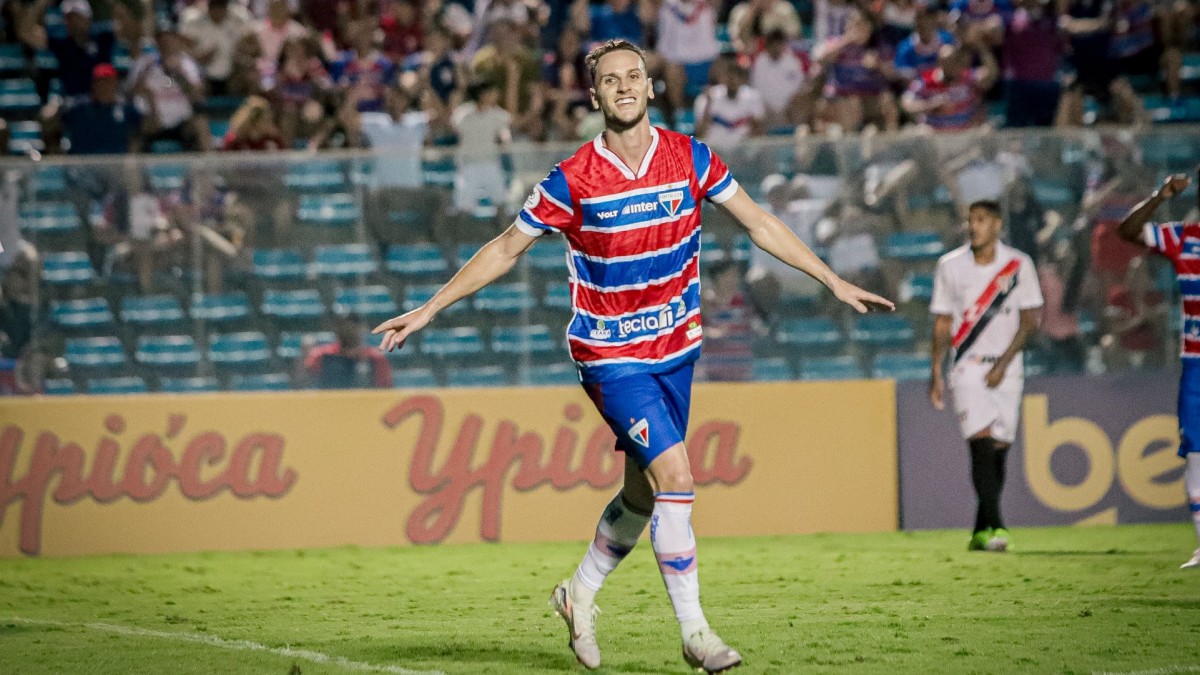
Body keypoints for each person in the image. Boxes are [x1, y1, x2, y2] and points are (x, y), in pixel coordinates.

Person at [372, 38, 894, 672]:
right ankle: (696, 633)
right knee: (676, 478)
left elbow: (759, 222)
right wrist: (430, 307)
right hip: (610, 354)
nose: (623, 86)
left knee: (643, 495)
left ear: (651, 87)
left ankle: (578, 593)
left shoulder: (691, 158)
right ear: (594, 97)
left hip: (677, 351)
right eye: (610, 79)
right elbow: (507, 247)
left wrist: (831, 279)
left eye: (633, 76)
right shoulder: (572, 178)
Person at [928, 199, 1043, 554]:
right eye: (970, 220)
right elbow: (943, 321)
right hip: (968, 365)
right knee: (979, 445)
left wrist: (1004, 364)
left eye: (980, 220)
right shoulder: (950, 266)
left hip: (1007, 367)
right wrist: (935, 370)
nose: (973, 226)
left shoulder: (1018, 265)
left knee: (999, 451)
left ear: (996, 224)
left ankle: (981, 529)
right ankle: (998, 525)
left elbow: (1030, 321)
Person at [1113, 171, 1200, 569]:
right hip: (1196, 364)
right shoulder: (1186, 239)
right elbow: (1127, 231)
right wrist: (1159, 196)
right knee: (1196, 454)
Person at [304, 315, 393, 389]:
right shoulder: (322, 355)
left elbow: (385, 390)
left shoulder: (376, 359)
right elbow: (303, 385)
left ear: (362, 328)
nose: (348, 330)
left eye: (353, 326)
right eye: (344, 326)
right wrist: (304, 353)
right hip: (328, 402)